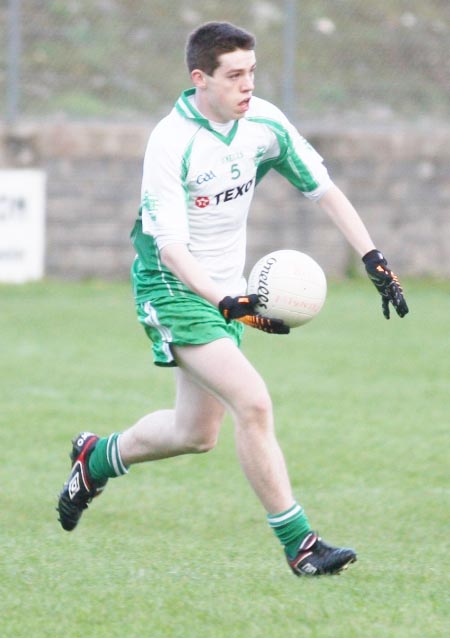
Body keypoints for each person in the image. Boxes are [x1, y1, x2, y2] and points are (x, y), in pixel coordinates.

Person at [57, 22, 408, 576]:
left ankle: (96, 458)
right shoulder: (171, 141)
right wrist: (229, 302)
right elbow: (171, 249)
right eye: (235, 75)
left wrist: (373, 259)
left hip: (225, 286)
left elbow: (324, 189)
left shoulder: (263, 124)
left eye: (253, 72)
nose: (248, 85)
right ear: (201, 79)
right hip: (172, 287)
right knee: (254, 401)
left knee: (196, 433)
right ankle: (302, 546)